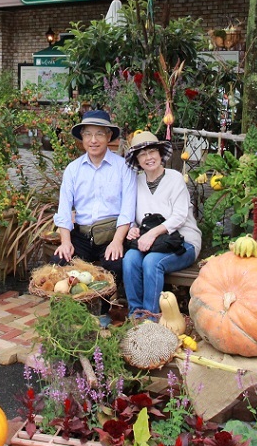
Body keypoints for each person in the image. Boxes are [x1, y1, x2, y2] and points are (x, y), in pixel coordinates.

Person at [52, 109, 136, 296]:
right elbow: (64, 209)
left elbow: (128, 210)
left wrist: (117, 241)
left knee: (115, 265)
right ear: (82, 137)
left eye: (99, 134)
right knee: (58, 263)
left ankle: (102, 309)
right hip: (81, 235)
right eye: (88, 134)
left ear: (109, 136)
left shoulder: (123, 167)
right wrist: (65, 242)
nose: (93, 140)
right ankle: (67, 308)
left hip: (111, 235)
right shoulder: (73, 169)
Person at [122, 131, 201, 317]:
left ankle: (150, 318)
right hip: (151, 243)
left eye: (152, 152)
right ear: (137, 160)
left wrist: (152, 233)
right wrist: (133, 228)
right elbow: (132, 214)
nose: (148, 157)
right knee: (130, 259)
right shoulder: (136, 182)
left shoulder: (175, 178)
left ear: (160, 154)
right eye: (142, 154)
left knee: (152, 262)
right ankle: (136, 315)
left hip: (183, 242)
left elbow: (179, 216)